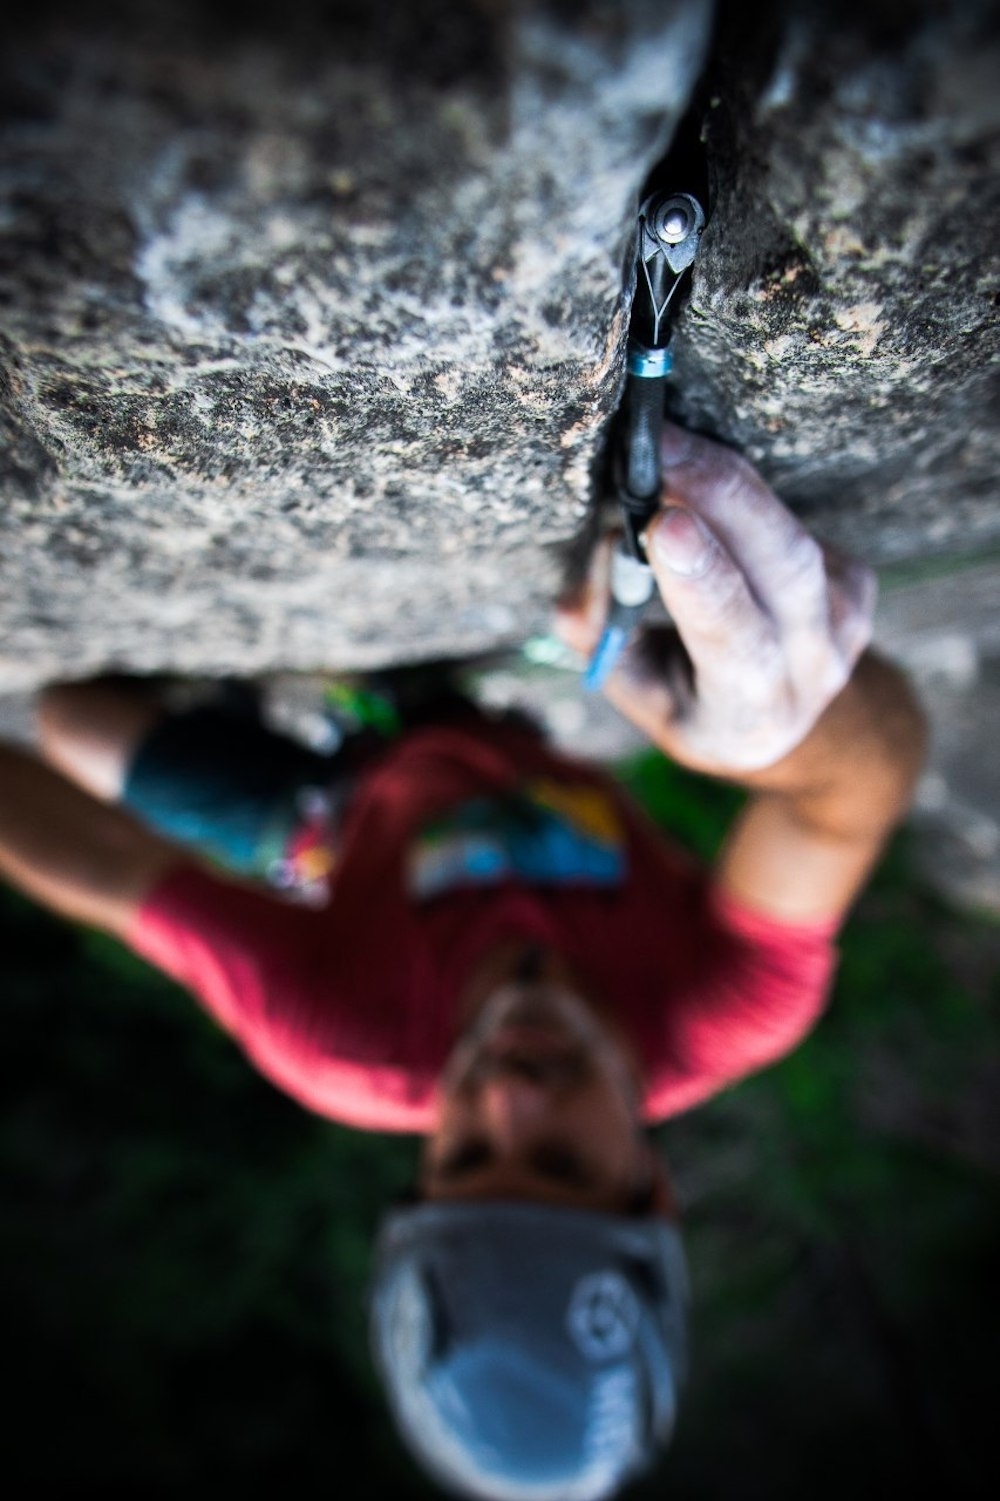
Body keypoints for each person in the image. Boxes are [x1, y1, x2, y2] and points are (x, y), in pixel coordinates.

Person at [0, 423, 926, 1499]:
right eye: (566, 1165)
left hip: (342, 816)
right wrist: (785, 733)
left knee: (76, 723)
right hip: (521, 742)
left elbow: (117, 874)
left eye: (464, 1160)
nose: (509, 1102)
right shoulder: (724, 1008)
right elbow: (851, 800)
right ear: (651, 1185)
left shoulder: (346, 1042)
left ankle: (305, 780)